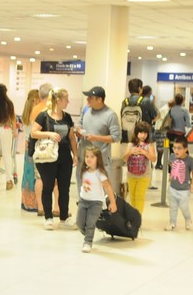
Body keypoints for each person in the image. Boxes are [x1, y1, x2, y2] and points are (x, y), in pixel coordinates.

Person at [30, 87, 77, 230]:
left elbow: (71, 137)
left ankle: (64, 217)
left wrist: (75, 154)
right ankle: (48, 217)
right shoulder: (43, 116)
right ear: (58, 100)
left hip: (64, 155)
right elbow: (33, 133)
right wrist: (49, 134)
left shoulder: (67, 117)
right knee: (48, 186)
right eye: (66, 99)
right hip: (48, 157)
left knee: (64, 188)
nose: (68, 102)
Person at [77, 145, 117, 253]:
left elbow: (108, 188)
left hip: (96, 203)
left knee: (90, 223)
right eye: (87, 156)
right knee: (80, 223)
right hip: (83, 201)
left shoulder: (100, 174)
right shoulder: (84, 171)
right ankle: (89, 233)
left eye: (92, 157)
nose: (88, 159)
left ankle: (88, 242)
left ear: (98, 159)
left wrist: (112, 202)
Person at [77, 86, 121, 183]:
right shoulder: (86, 110)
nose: (87, 99)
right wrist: (79, 130)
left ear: (99, 99)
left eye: (90, 98)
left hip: (101, 160)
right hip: (84, 157)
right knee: (83, 188)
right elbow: (79, 123)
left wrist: (95, 138)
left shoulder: (110, 115)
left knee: (100, 190)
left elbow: (116, 137)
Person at [123, 121, 156, 211]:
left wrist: (145, 152)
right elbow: (124, 159)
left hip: (144, 176)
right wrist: (130, 152)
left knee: (140, 196)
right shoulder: (130, 145)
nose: (143, 135)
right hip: (131, 175)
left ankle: (138, 216)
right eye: (141, 132)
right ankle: (134, 216)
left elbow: (153, 159)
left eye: (145, 133)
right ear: (136, 133)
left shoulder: (149, 145)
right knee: (132, 196)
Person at [18, 88, 42, 213]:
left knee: (27, 174)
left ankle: (26, 202)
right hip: (37, 147)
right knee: (37, 175)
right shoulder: (37, 114)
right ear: (36, 99)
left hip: (28, 149)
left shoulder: (25, 114)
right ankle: (36, 203)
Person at [164, 137, 193, 231]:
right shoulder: (172, 156)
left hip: (184, 190)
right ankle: (172, 222)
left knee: (184, 206)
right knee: (173, 207)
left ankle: (188, 219)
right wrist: (173, 173)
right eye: (174, 148)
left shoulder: (190, 160)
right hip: (173, 187)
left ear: (185, 149)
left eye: (179, 148)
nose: (176, 150)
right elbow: (170, 164)